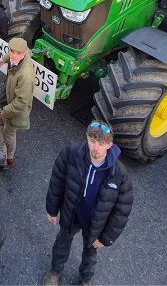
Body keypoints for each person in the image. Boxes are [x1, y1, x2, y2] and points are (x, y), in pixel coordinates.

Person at [42, 121, 133, 286]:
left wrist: (105, 239)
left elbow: (122, 211)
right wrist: (52, 209)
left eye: (101, 143)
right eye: (92, 141)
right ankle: (55, 272)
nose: (95, 148)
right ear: (86, 138)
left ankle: (85, 281)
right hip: (72, 214)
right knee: (62, 243)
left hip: (95, 224)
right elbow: (57, 182)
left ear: (109, 145)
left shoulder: (119, 175)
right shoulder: (70, 154)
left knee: (90, 255)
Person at [0, 37, 34, 169]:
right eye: (12, 52)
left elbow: (22, 102)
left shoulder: (26, 75)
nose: (14, 56)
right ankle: (3, 150)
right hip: (8, 96)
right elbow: (13, 53)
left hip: (15, 110)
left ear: (24, 54)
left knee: (9, 132)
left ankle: (8, 158)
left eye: (18, 53)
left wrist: (5, 112)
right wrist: (4, 59)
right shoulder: (18, 53)